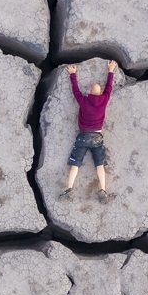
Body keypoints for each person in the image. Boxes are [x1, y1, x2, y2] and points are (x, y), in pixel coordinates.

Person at [60, 60, 117, 202]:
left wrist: (73, 74)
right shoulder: (104, 99)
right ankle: (103, 190)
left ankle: (68, 190)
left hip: (83, 136)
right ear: (100, 92)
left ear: (90, 92)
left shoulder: (84, 101)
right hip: (97, 137)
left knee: (76, 163)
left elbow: (75, 91)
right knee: (100, 164)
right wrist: (111, 70)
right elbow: (109, 87)